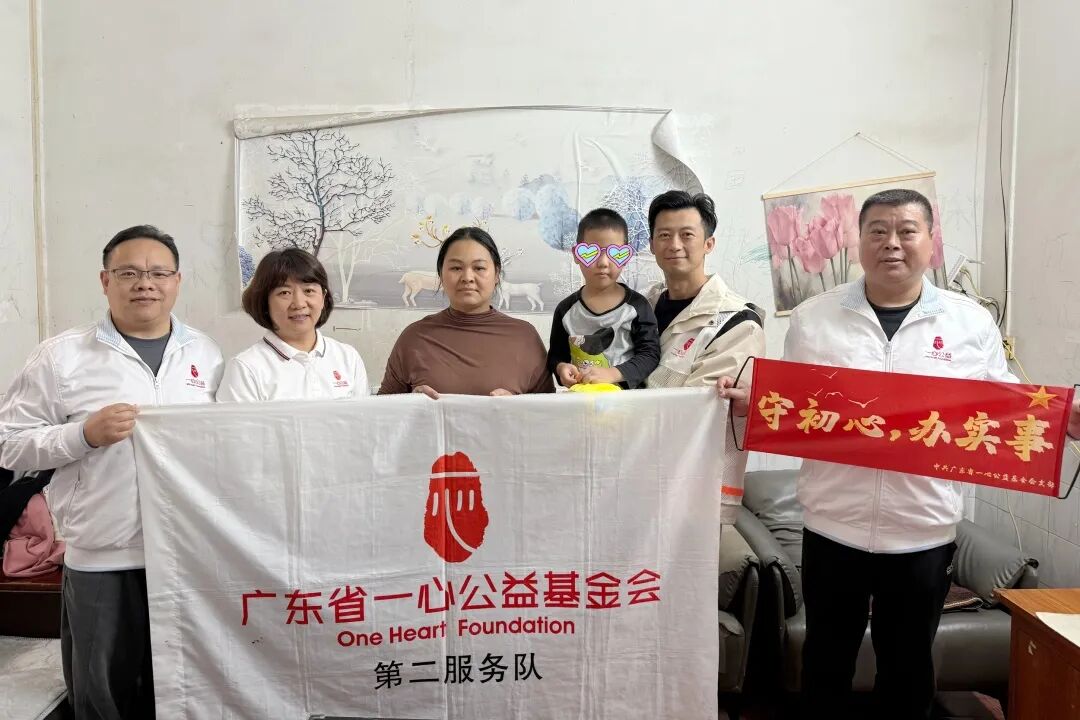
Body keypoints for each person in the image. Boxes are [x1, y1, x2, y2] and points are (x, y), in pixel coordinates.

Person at [718, 188, 1080, 719]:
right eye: (878, 231)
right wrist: (751, 401)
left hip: (923, 532)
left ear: (931, 241)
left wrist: (1061, 420)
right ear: (859, 242)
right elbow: (794, 404)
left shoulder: (969, 322)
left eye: (907, 230)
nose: (892, 242)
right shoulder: (814, 319)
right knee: (824, 667)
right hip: (832, 528)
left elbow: (1002, 405)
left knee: (908, 672)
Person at [0, 224, 223, 718]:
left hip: (186, 552)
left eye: (158, 273)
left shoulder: (206, 354)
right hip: (103, 551)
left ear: (177, 281)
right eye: (129, 273)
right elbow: (8, 444)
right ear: (105, 280)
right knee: (104, 692)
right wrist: (82, 435)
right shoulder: (62, 356)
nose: (145, 283)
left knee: (181, 689)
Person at [644, 190, 766, 524]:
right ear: (652, 245)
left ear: (708, 244)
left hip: (695, 491)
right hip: (638, 480)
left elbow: (698, 411)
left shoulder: (736, 322)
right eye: (664, 235)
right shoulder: (641, 308)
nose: (674, 245)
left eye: (687, 234)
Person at [379, 227, 554, 397]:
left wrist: (517, 407)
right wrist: (410, 401)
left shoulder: (525, 337)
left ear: (497, 274)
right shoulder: (414, 338)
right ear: (441, 275)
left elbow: (550, 411)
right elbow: (381, 410)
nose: (467, 278)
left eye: (479, 268)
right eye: (456, 268)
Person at [216, 248, 368, 401]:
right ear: (264, 302)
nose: (299, 303)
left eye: (308, 290)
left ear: (323, 297)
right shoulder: (245, 368)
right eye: (284, 293)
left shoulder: (348, 358)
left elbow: (363, 416)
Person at [547, 208, 660, 389]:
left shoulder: (638, 306)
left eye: (615, 253)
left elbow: (650, 355)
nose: (603, 263)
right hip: (582, 399)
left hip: (629, 401)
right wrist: (561, 368)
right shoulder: (565, 310)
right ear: (577, 255)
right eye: (591, 253)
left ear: (625, 257)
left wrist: (613, 373)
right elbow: (556, 355)